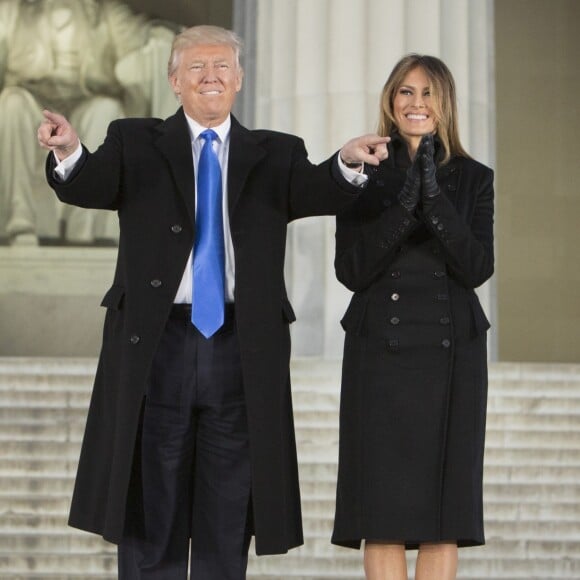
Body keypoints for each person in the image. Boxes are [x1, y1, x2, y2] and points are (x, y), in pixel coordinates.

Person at [37, 24, 388, 580]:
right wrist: (69, 151)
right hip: (158, 346)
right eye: (197, 67)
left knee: (228, 519)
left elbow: (319, 187)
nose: (210, 77)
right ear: (174, 80)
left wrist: (346, 162)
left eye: (222, 66)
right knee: (152, 514)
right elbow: (91, 181)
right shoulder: (135, 141)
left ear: (239, 80)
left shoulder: (276, 152)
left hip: (239, 350)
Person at [331, 54, 494, 580]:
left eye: (427, 93)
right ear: (390, 101)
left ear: (443, 103)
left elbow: (476, 267)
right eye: (405, 92)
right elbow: (351, 270)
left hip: (452, 358)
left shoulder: (475, 178)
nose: (415, 103)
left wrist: (435, 200)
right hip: (380, 351)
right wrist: (404, 204)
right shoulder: (359, 172)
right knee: (381, 512)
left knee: (442, 516)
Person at [0, 0, 176, 245]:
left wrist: (168, 36)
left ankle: (82, 230)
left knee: (107, 109)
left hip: (86, 98)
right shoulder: (11, 13)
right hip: (31, 100)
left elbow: (142, 37)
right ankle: (19, 221)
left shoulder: (106, 14)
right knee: (11, 103)